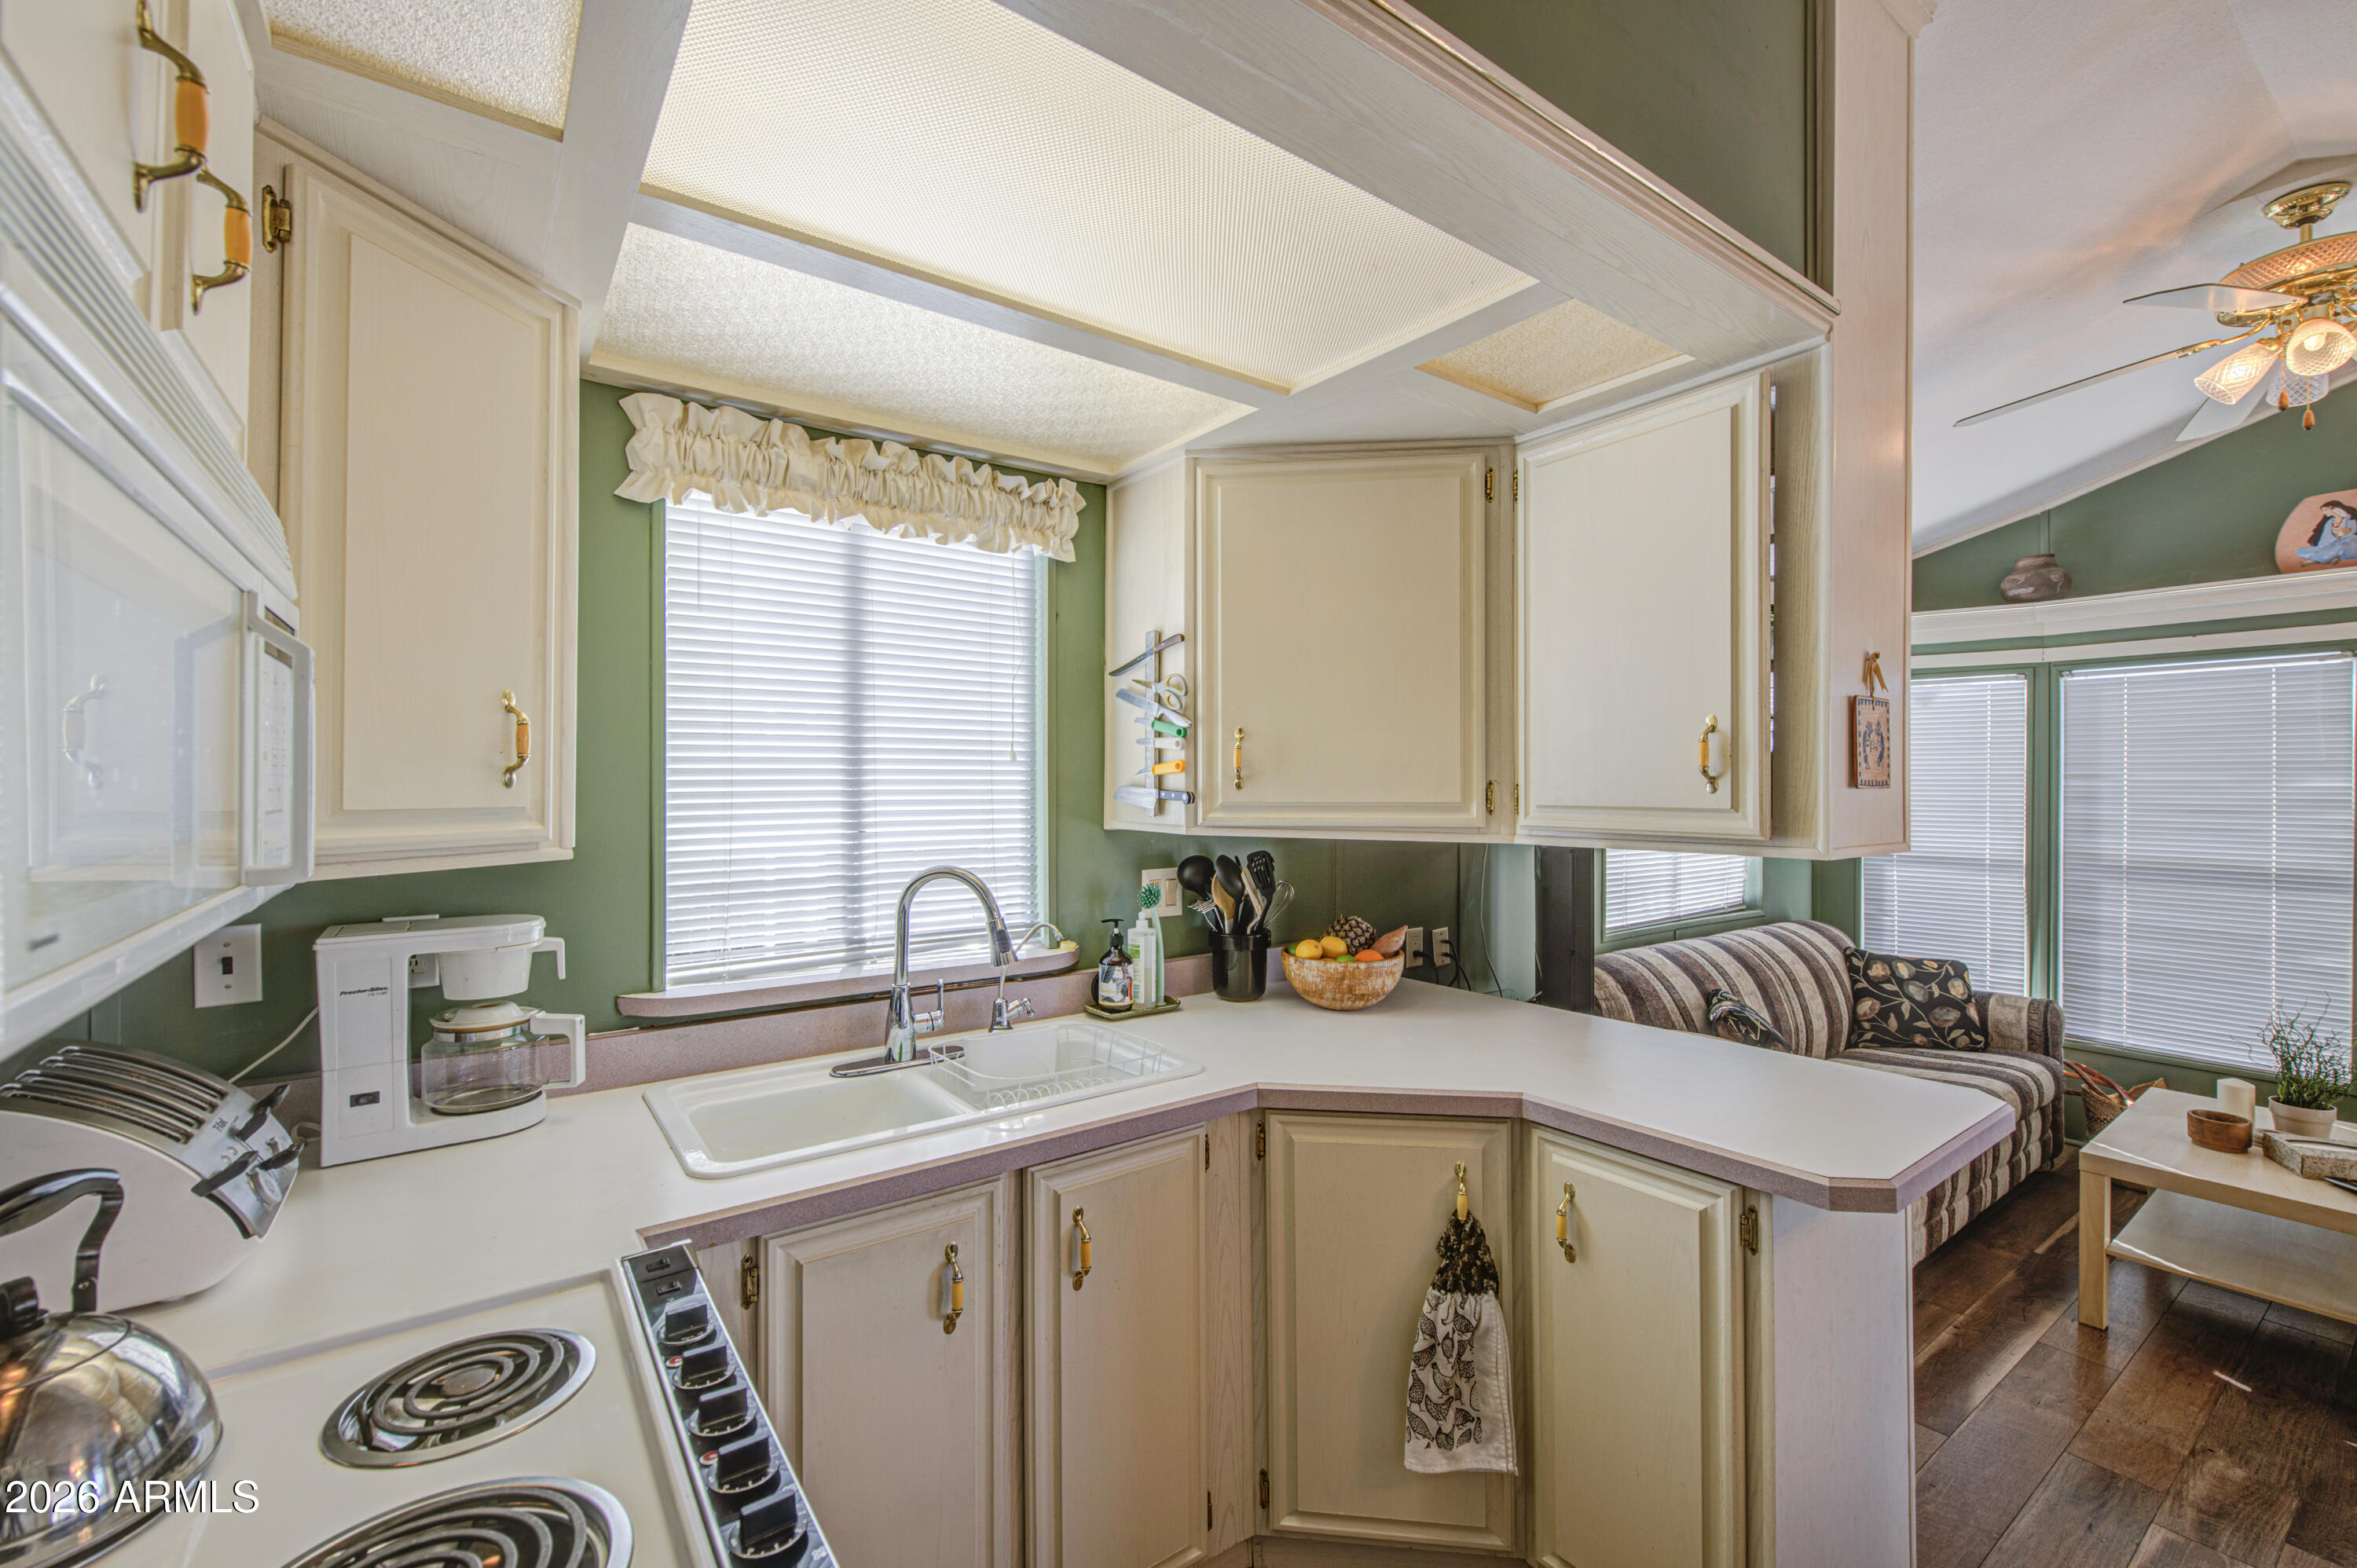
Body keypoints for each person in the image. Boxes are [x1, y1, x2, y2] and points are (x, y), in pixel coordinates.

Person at [2295, 499, 2357, 565]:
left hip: (2349, 547)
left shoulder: (2350, 519)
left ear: (2334, 508)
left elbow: (2349, 537)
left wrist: (2339, 536)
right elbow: (2324, 543)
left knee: (2340, 547)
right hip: (2331, 547)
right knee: (2300, 551)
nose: (2324, 513)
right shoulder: (2329, 522)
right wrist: (2337, 536)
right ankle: (2329, 557)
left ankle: (2316, 560)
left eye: (2326, 510)